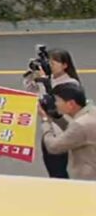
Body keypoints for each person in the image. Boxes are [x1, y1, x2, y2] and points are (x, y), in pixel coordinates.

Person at [24, 48, 82, 178]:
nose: (49, 67)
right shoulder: (49, 79)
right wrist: (32, 76)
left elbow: (50, 102)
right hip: (48, 130)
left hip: (62, 131)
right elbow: (32, 93)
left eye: (53, 64)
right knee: (52, 169)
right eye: (48, 64)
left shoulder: (71, 83)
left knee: (58, 171)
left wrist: (44, 82)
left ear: (65, 65)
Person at [41, 84, 96, 181]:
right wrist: (56, 118)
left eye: (57, 100)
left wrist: (45, 121)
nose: (56, 104)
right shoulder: (91, 112)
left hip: (88, 181)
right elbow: (72, 130)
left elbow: (53, 147)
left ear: (71, 104)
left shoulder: (81, 125)